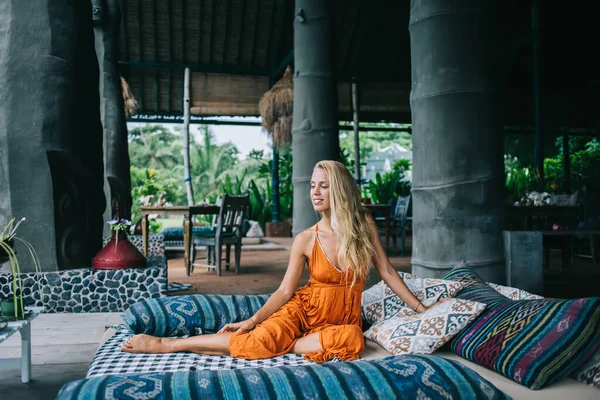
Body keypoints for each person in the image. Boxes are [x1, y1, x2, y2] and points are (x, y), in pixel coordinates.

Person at [122, 160, 429, 362]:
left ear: (339, 189)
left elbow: (387, 270)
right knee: (256, 343)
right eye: (312, 185)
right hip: (302, 310)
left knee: (353, 340)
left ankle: (290, 344)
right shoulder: (306, 238)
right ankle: (169, 344)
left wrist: (421, 310)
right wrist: (252, 320)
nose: (315, 192)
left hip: (339, 322)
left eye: (323, 185)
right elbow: (285, 291)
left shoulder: (363, 224)